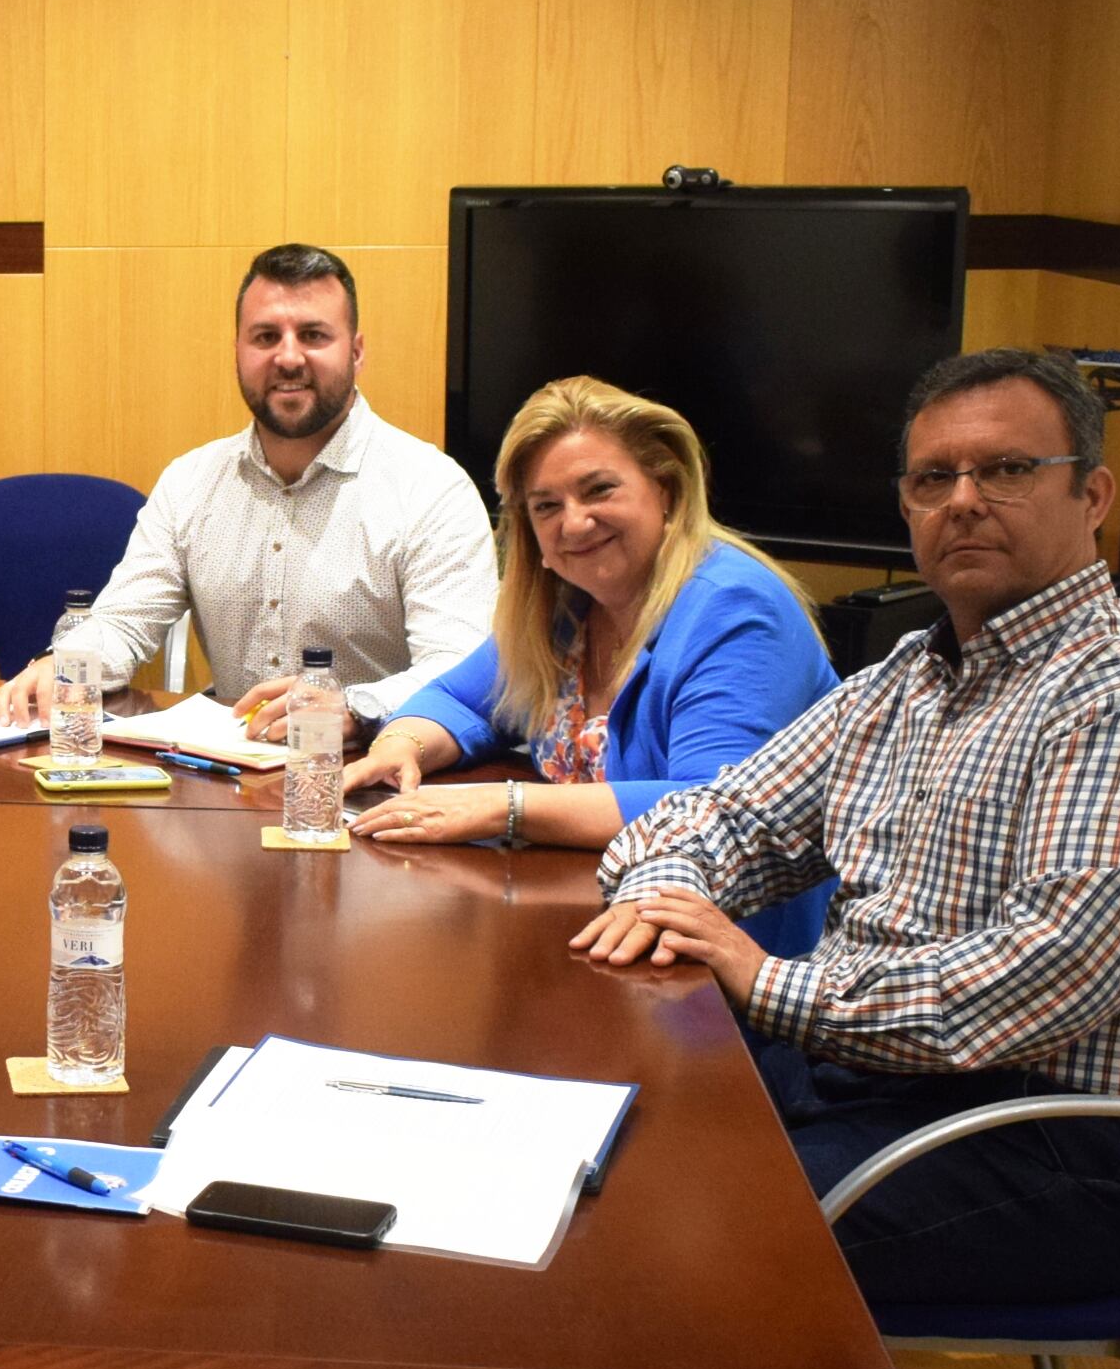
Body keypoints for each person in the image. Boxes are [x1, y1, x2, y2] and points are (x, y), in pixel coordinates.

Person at [575, 348, 1120, 1304]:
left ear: (1094, 494)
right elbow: (728, 810)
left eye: (1009, 470)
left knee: (657, 1244)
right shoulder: (916, 672)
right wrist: (669, 891)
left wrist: (764, 976)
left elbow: (1042, 976)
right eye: (933, 477)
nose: (964, 500)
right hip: (886, 1081)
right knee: (578, 1149)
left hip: (1064, 1142)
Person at [344, 377, 836, 951]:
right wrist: (401, 747)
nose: (573, 524)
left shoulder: (735, 608)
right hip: (590, 925)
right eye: (546, 506)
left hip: (720, 966)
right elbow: (457, 698)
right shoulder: (565, 608)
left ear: (667, 490)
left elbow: (709, 807)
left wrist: (505, 807)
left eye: (599, 490)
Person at [0, 243, 495, 737]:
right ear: (237, 351)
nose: (288, 358)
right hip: (226, 772)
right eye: (266, 337)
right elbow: (125, 620)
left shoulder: (430, 489)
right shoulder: (192, 481)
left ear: (356, 352)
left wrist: (360, 710)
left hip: (374, 781)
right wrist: (65, 667)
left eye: (314, 335)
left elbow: (461, 669)